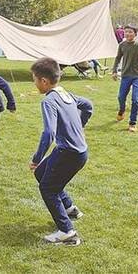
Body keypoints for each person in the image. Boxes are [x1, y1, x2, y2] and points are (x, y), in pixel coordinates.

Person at [29, 57, 91, 246]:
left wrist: (36, 158)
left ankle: (67, 231)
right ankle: (70, 208)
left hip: (68, 154)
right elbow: (88, 105)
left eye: (34, 79)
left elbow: (49, 133)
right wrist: (80, 126)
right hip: (77, 152)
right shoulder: (66, 94)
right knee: (42, 174)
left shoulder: (49, 101)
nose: (34, 82)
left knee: (47, 188)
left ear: (44, 81)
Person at [111, 25, 138, 133]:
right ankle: (122, 110)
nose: (128, 34)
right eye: (126, 32)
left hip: (137, 76)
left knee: (136, 100)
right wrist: (114, 71)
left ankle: (132, 123)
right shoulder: (122, 45)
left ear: (135, 34)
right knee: (121, 97)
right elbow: (117, 58)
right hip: (125, 76)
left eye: (130, 32)